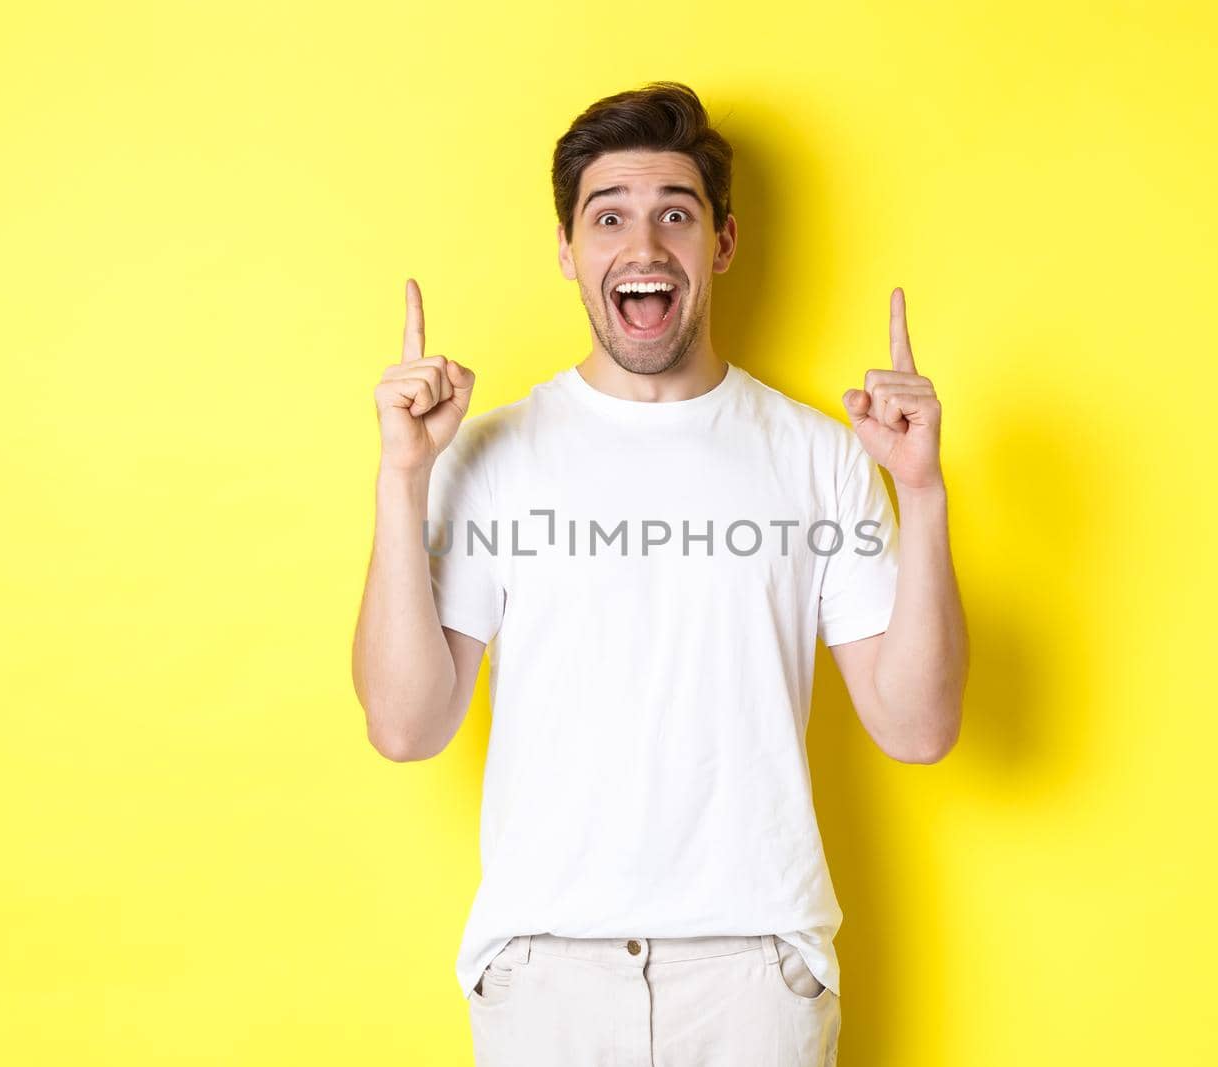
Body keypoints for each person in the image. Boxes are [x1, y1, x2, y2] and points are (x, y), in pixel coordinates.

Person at [351, 80, 968, 1066]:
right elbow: (405, 724)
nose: (643, 246)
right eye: (609, 218)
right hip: (545, 975)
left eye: (674, 214)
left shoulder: (817, 454)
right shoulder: (490, 453)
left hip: (753, 975)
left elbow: (917, 726)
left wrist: (923, 492)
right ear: (568, 249)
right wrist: (402, 476)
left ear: (719, 242)